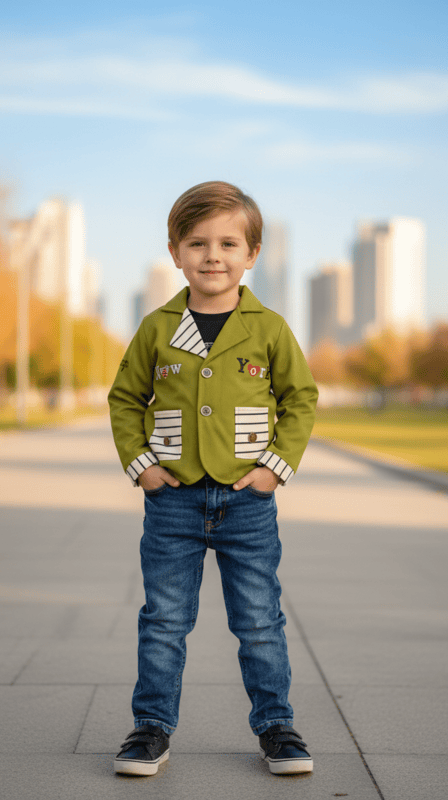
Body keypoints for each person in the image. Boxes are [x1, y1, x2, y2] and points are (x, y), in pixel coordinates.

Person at [108, 181, 319, 777]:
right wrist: (142, 466)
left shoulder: (269, 328)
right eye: (197, 242)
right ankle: (151, 728)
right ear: (175, 251)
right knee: (164, 618)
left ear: (252, 254)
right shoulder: (157, 327)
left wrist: (272, 471)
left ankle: (277, 725)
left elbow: (300, 398)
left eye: (229, 242)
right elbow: (125, 399)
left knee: (258, 618)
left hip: (246, 502)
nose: (213, 255)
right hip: (171, 499)